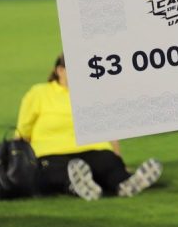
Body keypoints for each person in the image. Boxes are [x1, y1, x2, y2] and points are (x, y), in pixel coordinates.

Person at [16, 54, 162, 200]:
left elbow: (109, 128)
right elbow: (22, 132)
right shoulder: (39, 93)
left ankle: (123, 183)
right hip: (51, 152)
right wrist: (19, 165)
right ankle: (77, 186)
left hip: (91, 149)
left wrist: (119, 161)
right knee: (56, 171)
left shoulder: (92, 92)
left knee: (108, 163)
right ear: (60, 70)